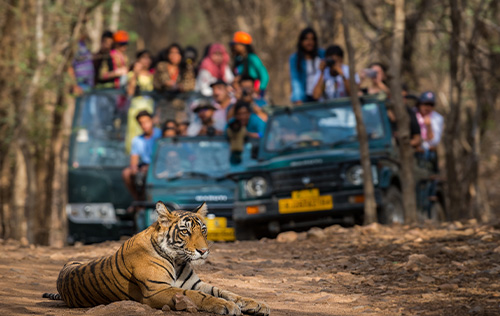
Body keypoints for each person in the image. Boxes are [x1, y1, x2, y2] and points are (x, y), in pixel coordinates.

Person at [122, 111, 162, 200]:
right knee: (126, 173)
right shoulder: (137, 140)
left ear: (152, 121)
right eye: (141, 123)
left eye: (146, 121)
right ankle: (138, 201)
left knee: (147, 173)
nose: (144, 125)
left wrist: (150, 167)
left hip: (159, 165)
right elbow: (134, 161)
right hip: (144, 166)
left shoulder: (161, 134)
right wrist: (134, 169)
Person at [289, 27, 325, 104]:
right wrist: (298, 99)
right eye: (306, 39)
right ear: (301, 41)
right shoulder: (295, 58)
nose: (310, 42)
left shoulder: (322, 54)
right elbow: (295, 80)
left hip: (322, 95)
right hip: (304, 97)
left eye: (312, 39)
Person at [230, 31, 269, 96]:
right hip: (241, 90)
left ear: (243, 46)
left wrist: (261, 88)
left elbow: (264, 75)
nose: (234, 47)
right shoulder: (238, 59)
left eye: (236, 44)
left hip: (254, 89)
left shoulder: (252, 58)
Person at [387, 84, 421, 148]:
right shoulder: (384, 111)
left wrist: (404, 143)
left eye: (405, 97)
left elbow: (417, 139)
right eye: (399, 97)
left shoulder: (410, 114)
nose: (402, 100)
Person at [415, 91, 443, 164]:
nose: (428, 107)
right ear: (419, 104)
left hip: (428, 153)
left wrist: (428, 126)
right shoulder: (413, 114)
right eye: (425, 104)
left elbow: (434, 141)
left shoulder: (437, 118)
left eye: (431, 104)